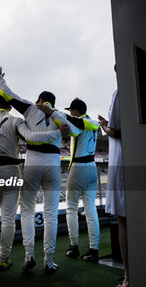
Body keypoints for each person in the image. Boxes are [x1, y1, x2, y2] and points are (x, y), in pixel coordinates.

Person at [0, 94, 69, 275]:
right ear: (10, 107)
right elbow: (32, 137)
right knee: (8, 218)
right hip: (11, 170)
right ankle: (3, 260)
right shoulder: (16, 121)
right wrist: (58, 133)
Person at [0, 65, 69, 274]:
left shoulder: (29, 108)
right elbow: (68, 130)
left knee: (27, 210)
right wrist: (52, 112)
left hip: (33, 162)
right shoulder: (59, 114)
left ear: (38, 101)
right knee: (51, 214)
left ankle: (29, 257)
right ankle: (49, 261)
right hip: (53, 163)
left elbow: (8, 94)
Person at [37, 99, 100, 262]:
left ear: (76, 111)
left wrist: (51, 112)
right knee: (91, 211)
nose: (70, 113)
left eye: (71, 110)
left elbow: (68, 125)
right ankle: (94, 249)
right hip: (93, 167)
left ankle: (74, 246)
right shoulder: (91, 123)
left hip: (79, 167)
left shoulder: (80, 123)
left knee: (71, 208)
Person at [98, 66, 128, 287]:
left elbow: (116, 132)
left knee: (124, 219)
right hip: (139, 161)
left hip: (125, 165)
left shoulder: (121, 91)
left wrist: (106, 127)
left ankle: (128, 278)